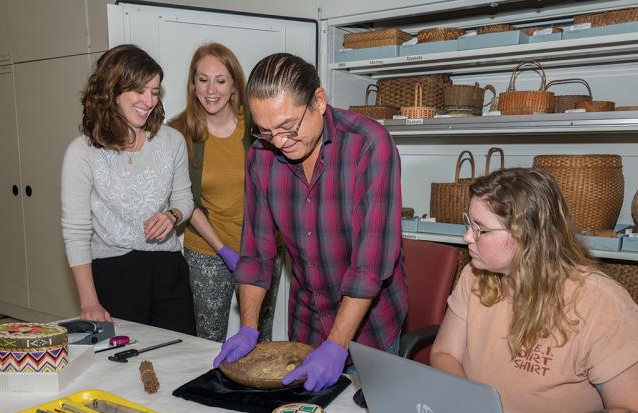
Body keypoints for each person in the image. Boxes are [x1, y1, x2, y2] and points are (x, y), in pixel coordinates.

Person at [430, 168, 638, 413]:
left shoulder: (599, 303)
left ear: (526, 234)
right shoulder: (476, 275)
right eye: (468, 223)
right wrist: (475, 405)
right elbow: (445, 354)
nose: (467, 236)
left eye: (481, 228)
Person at [213, 53, 408, 391]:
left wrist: (336, 346)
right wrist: (248, 327)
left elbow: (369, 266)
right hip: (306, 326)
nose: (279, 143)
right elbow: (256, 254)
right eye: (265, 132)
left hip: (369, 332)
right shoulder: (261, 157)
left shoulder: (369, 145)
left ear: (318, 101)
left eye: (288, 128)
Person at [61, 44, 196, 335]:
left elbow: (185, 198)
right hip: (113, 273)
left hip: (168, 268)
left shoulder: (172, 141)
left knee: (182, 363)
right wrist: (89, 302)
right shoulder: (82, 152)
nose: (148, 101)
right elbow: (76, 231)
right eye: (139, 90)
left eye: (155, 91)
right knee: (123, 368)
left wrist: (172, 215)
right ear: (112, 91)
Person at [169, 43, 282, 342]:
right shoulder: (180, 132)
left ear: (234, 84)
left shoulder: (258, 125)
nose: (211, 89)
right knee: (206, 341)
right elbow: (187, 200)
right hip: (208, 253)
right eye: (203, 79)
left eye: (220, 80)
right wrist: (223, 250)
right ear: (193, 84)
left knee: (259, 338)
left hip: (262, 251)